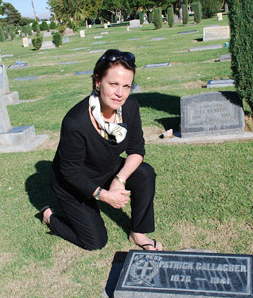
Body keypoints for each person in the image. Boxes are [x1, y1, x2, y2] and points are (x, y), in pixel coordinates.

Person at [41, 49, 163, 251]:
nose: (120, 93)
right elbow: (70, 172)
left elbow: (136, 150)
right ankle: (50, 217)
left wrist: (119, 179)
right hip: (73, 183)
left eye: (126, 86)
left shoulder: (130, 108)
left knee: (144, 174)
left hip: (105, 168)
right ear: (98, 82)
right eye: (113, 84)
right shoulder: (75, 122)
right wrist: (104, 195)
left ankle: (138, 233)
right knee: (95, 242)